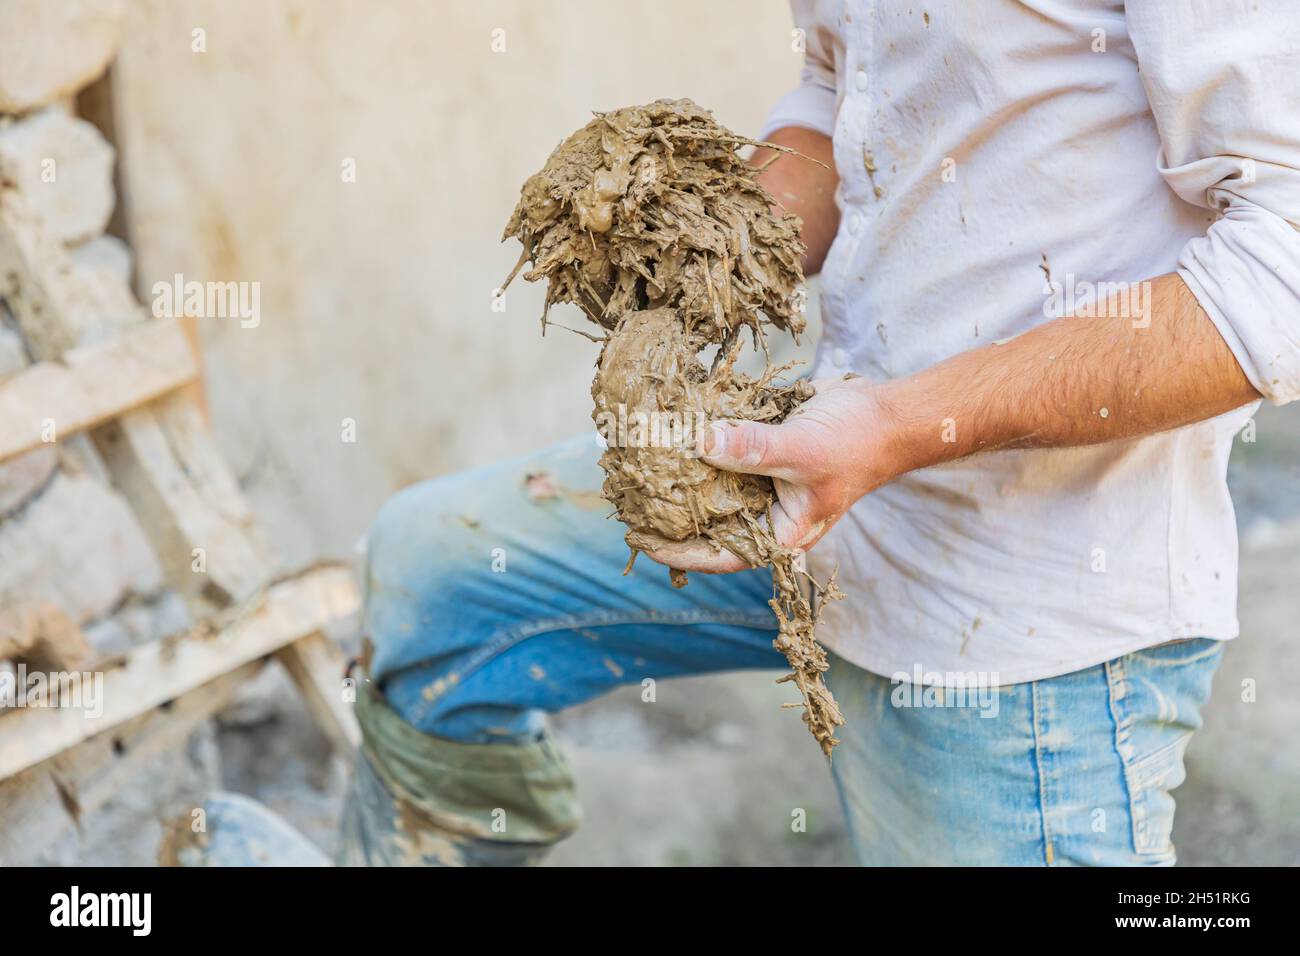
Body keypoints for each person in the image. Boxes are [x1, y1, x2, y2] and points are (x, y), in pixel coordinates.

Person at [342, 0, 1300, 865]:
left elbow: (1283, 270)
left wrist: (893, 427)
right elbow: (847, 90)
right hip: (832, 473)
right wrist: (704, 245)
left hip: (1022, 617)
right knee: (437, 581)